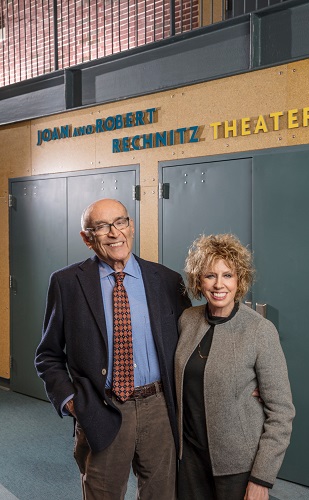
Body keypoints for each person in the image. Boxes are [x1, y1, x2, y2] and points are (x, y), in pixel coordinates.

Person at [35, 198, 191, 500]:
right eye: (102, 226)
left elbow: (192, 342)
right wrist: (72, 402)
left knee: (162, 494)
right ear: (87, 237)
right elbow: (48, 355)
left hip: (159, 407)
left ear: (131, 226)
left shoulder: (167, 281)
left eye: (120, 222)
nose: (114, 232)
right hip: (102, 408)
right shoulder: (67, 283)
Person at [175, 233, 295, 500]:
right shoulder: (187, 320)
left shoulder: (259, 330)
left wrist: (261, 478)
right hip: (190, 459)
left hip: (238, 465)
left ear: (239, 279)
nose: (219, 284)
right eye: (210, 275)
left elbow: (281, 413)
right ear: (198, 280)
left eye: (227, 275)